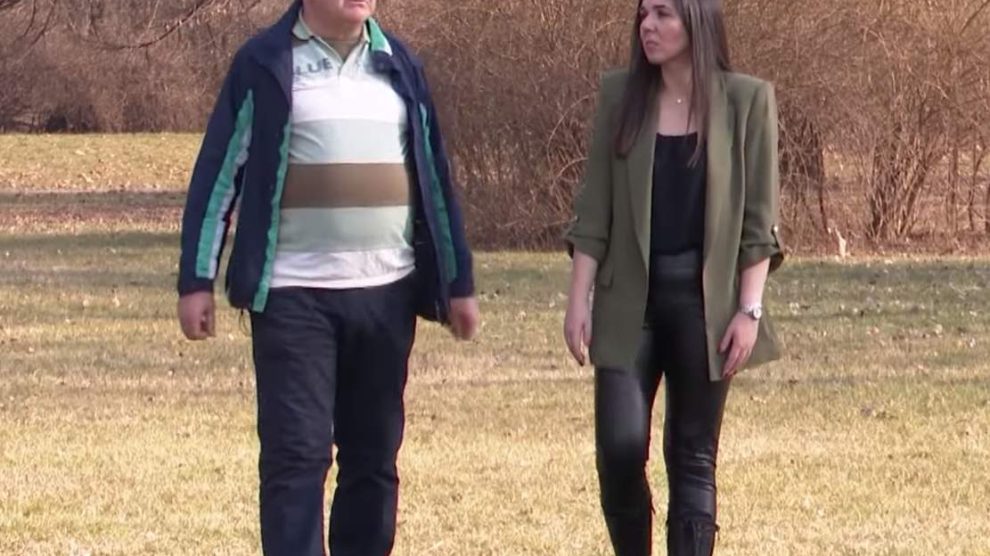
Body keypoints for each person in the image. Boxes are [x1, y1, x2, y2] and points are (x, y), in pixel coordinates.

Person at [175, 1, 480, 554]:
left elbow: (435, 180)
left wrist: (457, 283)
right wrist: (197, 278)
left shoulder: (400, 64)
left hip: (386, 295)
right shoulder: (265, 63)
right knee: (297, 456)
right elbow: (219, 175)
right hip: (293, 296)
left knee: (374, 459)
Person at [563, 0, 784, 554]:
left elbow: (759, 223)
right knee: (619, 449)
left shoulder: (746, 101)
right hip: (628, 304)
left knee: (692, 456)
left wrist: (749, 309)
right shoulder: (621, 97)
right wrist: (578, 299)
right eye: (643, 15)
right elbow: (594, 211)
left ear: (697, 20)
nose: (648, 26)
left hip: (705, 307)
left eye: (663, 14)